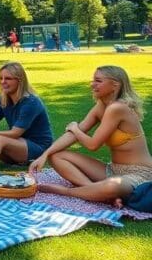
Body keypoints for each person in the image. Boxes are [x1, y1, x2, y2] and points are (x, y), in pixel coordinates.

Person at [30, 66, 152, 206]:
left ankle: (66, 191)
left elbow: (93, 145)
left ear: (115, 85)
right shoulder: (102, 106)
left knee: (111, 186)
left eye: (98, 81)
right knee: (56, 155)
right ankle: (95, 192)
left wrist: (75, 129)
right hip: (113, 169)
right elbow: (72, 136)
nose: (92, 84)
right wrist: (44, 155)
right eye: (93, 80)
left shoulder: (117, 108)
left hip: (140, 174)